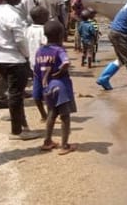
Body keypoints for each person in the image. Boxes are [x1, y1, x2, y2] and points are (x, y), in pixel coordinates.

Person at [0, 0, 40, 140]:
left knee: (13, 93)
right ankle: (18, 131)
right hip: (15, 59)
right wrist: (27, 56)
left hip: (0, 58)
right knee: (16, 95)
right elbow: (19, 40)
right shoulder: (13, 15)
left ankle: (22, 125)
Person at [33, 20, 77, 155]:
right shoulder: (59, 50)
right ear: (60, 35)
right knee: (65, 116)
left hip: (47, 88)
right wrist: (60, 72)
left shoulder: (39, 51)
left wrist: (40, 90)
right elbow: (66, 62)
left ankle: (47, 141)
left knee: (51, 114)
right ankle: (64, 145)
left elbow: (36, 72)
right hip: (60, 87)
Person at [26, 6, 49, 121]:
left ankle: (43, 115)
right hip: (45, 65)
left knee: (36, 92)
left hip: (32, 65)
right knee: (48, 91)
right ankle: (50, 114)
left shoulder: (28, 29)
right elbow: (47, 45)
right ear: (43, 17)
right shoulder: (44, 30)